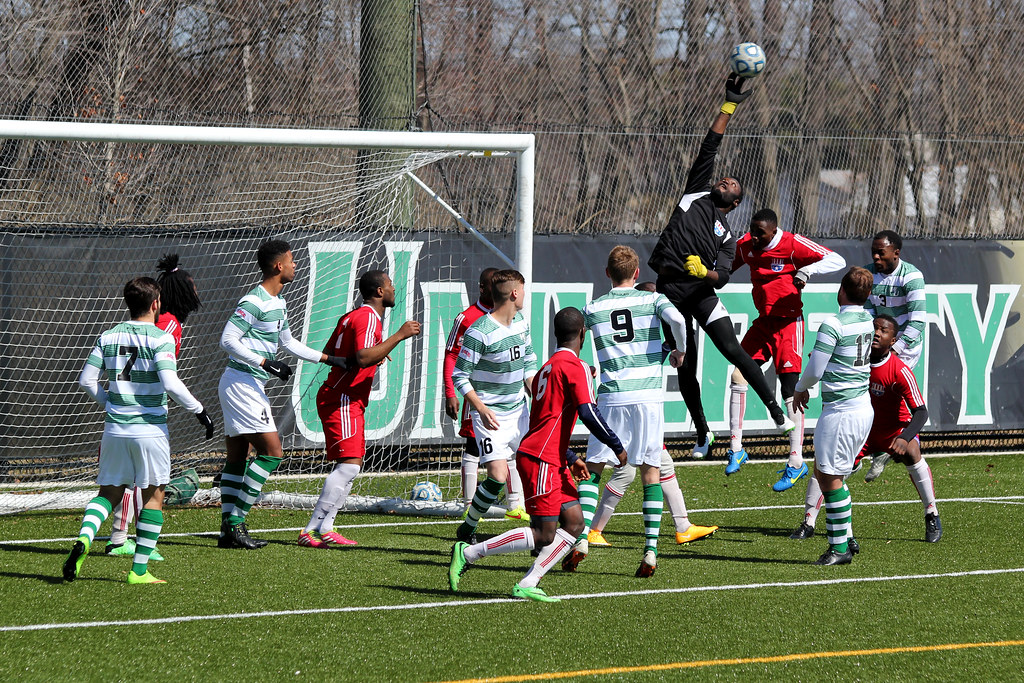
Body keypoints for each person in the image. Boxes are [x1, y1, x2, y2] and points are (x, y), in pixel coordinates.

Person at [647, 74, 793, 459]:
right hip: (670, 291)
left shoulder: (727, 235)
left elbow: (725, 277)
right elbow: (710, 145)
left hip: (700, 291)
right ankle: (702, 433)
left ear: (735, 203)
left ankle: (776, 410)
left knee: (733, 349)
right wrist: (730, 104)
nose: (725, 180)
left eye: (731, 184)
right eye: (724, 178)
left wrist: (704, 274)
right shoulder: (696, 193)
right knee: (686, 364)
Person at [448, 307, 627, 601]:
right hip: (542, 459)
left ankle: (529, 582)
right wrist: (616, 445)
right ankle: (468, 553)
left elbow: (543, 422)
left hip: (549, 457)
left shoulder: (547, 368)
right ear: (583, 334)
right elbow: (588, 412)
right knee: (543, 532)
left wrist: (569, 457)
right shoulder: (576, 367)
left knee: (574, 523)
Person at [565, 247, 706, 576]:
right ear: (637, 272)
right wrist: (681, 352)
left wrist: (582, 365)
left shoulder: (593, 307)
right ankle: (651, 550)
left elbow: (576, 335)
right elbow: (678, 319)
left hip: (612, 397)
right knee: (650, 473)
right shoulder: (653, 301)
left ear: (606, 273)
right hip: (647, 398)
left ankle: (583, 537)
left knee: (595, 469)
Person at [64, 277, 213, 584]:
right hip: (150, 430)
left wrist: (110, 402)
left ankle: (84, 539)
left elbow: (86, 380)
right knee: (154, 496)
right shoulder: (161, 338)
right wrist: (200, 410)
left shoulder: (108, 336)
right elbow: (171, 383)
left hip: (115, 429)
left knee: (107, 494)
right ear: (156, 304)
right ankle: (139, 571)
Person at [215, 239, 350, 549]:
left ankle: (227, 532)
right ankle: (235, 522)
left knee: (236, 459)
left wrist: (329, 359)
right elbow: (227, 340)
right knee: (272, 453)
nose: (295, 266)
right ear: (278, 266)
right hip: (241, 383)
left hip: (247, 384)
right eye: (291, 261)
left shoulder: (279, 303)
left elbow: (288, 343)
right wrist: (265, 362)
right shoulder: (255, 301)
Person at [580, 281, 719, 550]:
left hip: (618, 401)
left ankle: (682, 526)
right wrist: (679, 349)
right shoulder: (650, 318)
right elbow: (676, 324)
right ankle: (594, 530)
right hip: (641, 404)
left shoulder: (627, 320)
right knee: (630, 472)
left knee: (661, 466)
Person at [790, 315, 941, 543]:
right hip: (863, 430)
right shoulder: (853, 360)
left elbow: (921, 411)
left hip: (892, 431)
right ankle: (808, 521)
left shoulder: (899, 370)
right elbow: (824, 364)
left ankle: (932, 513)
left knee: (912, 452)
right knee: (824, 464)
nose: (878, 333)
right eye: (875, 329)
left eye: (885, 330)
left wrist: (905, 436)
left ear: (893, 341)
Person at [298, 270, 421, 547]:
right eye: (390, 285)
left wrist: (377, 350)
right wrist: (398, 335)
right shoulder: (367, 317)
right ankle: (310, 530)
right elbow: (363, 357)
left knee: (351, 465)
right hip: (342, 397)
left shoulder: (352, 316)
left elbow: (344, 355)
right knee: (349, 467)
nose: (393, 289)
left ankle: (327, 527)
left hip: (345, 397)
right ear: (379, 291)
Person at [726, 209, 846, 488]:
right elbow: (725, 268)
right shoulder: (746, 245)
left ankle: (796, 461)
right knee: (738, 376)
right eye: (752, 230)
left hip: (789, 324)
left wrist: (807, 269)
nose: (754, 237)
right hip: (764, 323)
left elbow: (837, 259)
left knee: (789, 391)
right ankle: (736, 449)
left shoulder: (792, 244)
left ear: (773, 230)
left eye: (760, 233)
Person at [105, 254, 203, 561]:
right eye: (192, 287)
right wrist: (193, 407)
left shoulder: (152, 321)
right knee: (144, 479)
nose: (196, 292)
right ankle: (126, 539)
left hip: (123, 409)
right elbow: (165, 375)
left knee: (131, 477)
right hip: (144, 411)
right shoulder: (169, 324)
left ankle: (119, 537)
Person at [792, 267, 875, 566]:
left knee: (828, 478)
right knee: (834, 475)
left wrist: (801, 388)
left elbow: (815, 369)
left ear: (841, 290)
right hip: (861, 406)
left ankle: (839, 548)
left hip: (842, 411)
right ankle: (847, 538)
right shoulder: (867, 319)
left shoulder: (834, 324)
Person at [452, 269, 537, 543]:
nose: (524, 294)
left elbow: (529, 363)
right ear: (514, 293)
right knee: (498, 477)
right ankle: (468, 526)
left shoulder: (521, 322)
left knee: (535, 468)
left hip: (519, 412)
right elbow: (459, 375)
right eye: (522, 290)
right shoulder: (480, 332)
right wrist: (481, 407)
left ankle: (542, 529)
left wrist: (536, 391)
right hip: (491, 417)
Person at [862, 230, 927, 482]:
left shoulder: (911, 276)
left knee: (895, 396)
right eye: (873, 253)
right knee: (871, 394)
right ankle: (874, 449)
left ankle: (906, 442)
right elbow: (867, 315)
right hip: (878, 344)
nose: (876, 257)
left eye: (882, 253)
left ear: (896, 253)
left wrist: (893, 352)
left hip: (904, 347)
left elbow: (918, 322)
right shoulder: (869, 274)